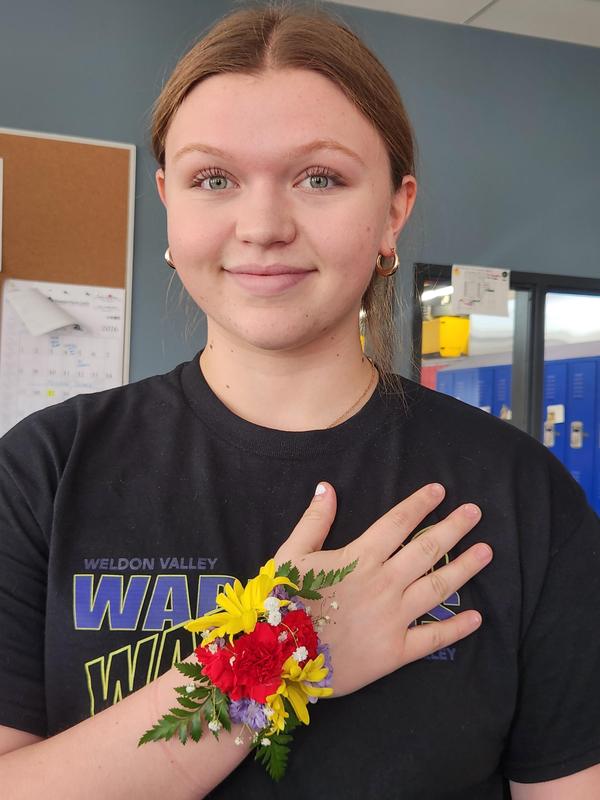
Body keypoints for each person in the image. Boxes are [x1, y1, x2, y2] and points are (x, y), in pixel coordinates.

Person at [1, 4, 599, 798]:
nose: (262, 225)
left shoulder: (523, 496)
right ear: (169, 205)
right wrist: (292, 647)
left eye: (319, 178)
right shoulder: (43, 470)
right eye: (214, 179)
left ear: (393, 210)